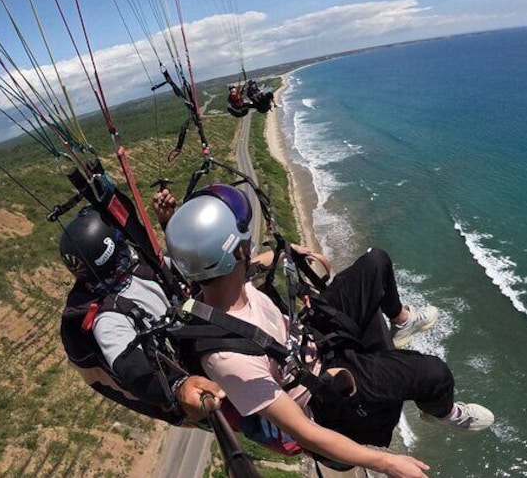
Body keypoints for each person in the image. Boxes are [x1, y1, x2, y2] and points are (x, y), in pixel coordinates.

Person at [163, 184, 494, 478]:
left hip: (307, 339)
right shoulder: (228, 358)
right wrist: (387, 463)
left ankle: (403, 319)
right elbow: (305, 432)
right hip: (320, 391)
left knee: (376, 263)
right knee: (434, 374)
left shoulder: (220, 285)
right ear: (236, 252)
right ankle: (444, 413)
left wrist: (286, 251)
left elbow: (248, 267)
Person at [59, 206, 224, 423]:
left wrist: (169, 222)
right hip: (197, 377)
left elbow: (189, 266)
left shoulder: (141, 267)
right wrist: (179, 387)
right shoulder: (107, 318)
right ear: (110, 249)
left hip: (205, 340)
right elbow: (131, 368)